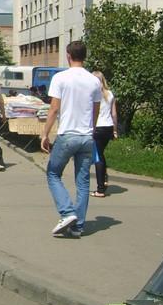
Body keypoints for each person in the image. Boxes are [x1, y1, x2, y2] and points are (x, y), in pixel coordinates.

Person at [40, 41, 101, 238]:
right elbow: (96, 110)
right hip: (86, 136)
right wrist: (90, 129)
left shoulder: (61, 78)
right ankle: (78, 226)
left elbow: (54, 108)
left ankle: (67, 212)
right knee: (83, 182)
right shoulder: (94, 81)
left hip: (67, 135)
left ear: (68, 55)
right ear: (85, 55)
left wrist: (45, 133)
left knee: (53, 173)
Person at [91, 71, 118, 197]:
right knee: (101, 154)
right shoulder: (110, 94)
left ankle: (100, 189)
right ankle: (105, 178)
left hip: (97, 128)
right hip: (108, 128)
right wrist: (115, 130)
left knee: (98, 157)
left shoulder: (92, 94)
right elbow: (114, 114)